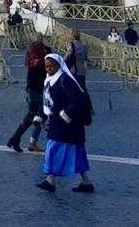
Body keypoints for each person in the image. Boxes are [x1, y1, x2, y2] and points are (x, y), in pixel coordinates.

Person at [35, 52, 95, 194]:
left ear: (57, 66)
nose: (48, 69)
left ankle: (50, 181)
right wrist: (40, 116)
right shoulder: (49, 80)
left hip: (67, 124)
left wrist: (66, 113)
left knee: (53, 148)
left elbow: (78, 100)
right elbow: (47, 101)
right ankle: (86, 182)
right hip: (61, 124)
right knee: (76, 153)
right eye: (46, 67)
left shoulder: (65, 80)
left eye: (50, 66)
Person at [8, 38, 50, 153]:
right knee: (37, 116)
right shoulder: (41, 61)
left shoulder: (31, 58)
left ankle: (17, 138)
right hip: (39, 90)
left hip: (33, 89)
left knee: (33, 116)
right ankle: (24, 140)